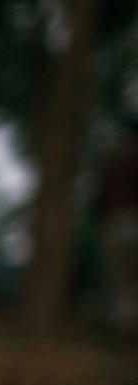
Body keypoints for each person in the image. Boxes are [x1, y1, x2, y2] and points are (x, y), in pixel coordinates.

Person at [96, 118, 138, 335]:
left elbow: (100, 198)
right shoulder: (129, 157)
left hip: (115, 222)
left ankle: (125, 327)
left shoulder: (113, 158)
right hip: (129, 219)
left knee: (121, 280)